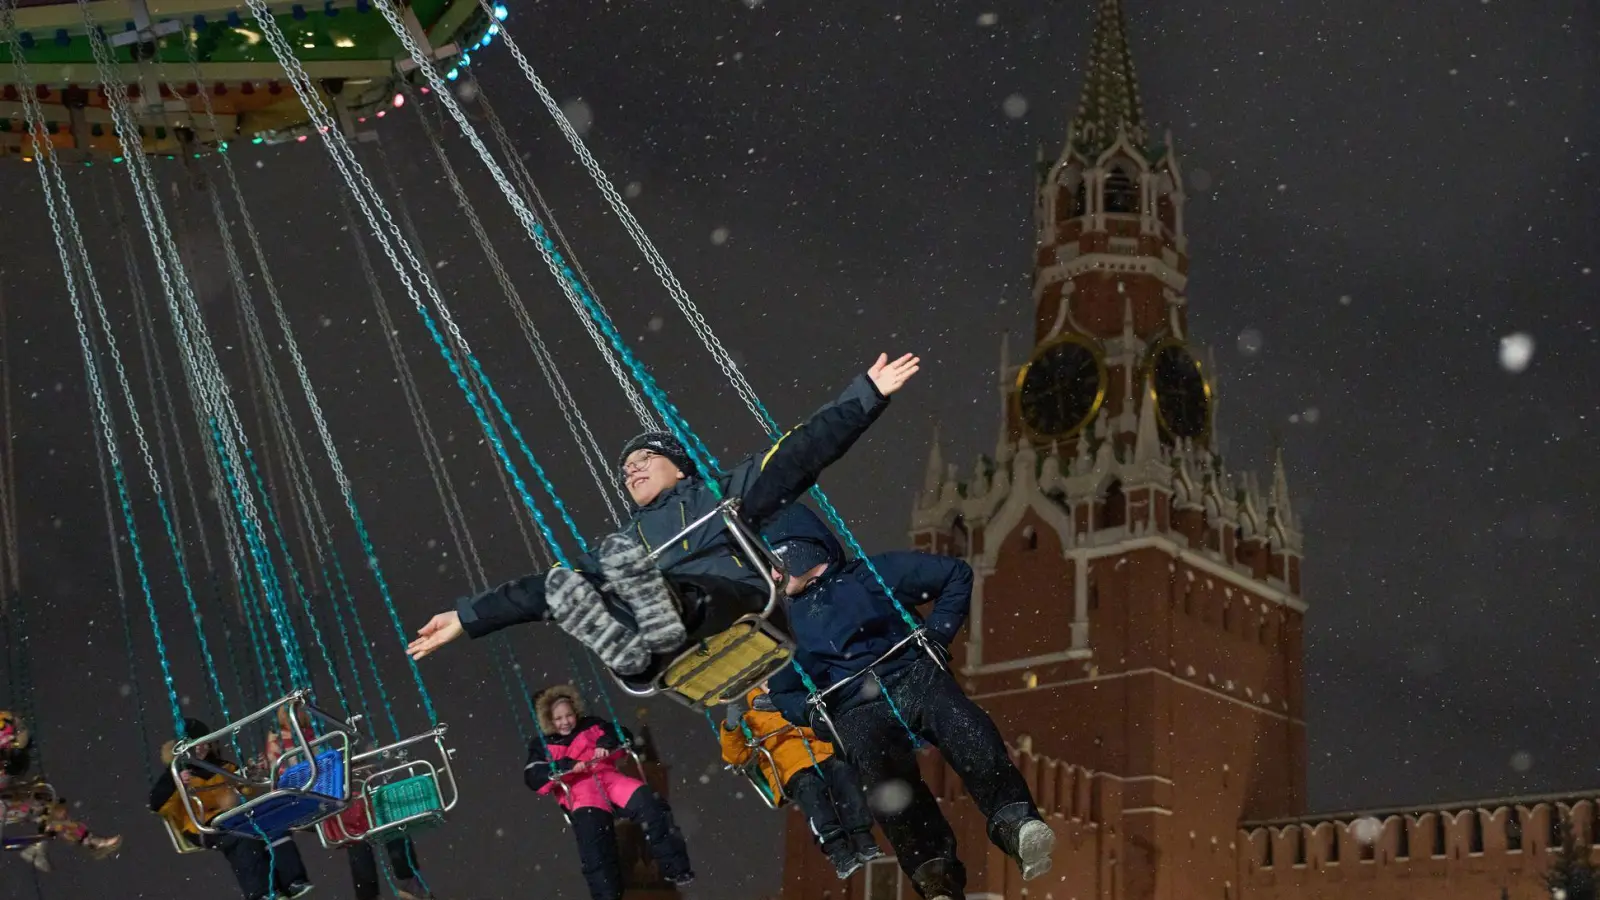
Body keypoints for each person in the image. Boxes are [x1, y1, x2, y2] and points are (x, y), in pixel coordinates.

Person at [406, 352, 922, 683]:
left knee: (655, 582)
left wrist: (865, 396)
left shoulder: (721, 493)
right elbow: (541, 588)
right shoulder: (629, 538)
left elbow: (797, 454)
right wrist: (467, 618)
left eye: (642, 462)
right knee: (576, 579)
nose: (631, 473)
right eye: (624, 471)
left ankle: (658, 621)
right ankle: (635, 650)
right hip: (666, 642)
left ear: (678, 466)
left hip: (729, 606)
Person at [762, 505, 1056, 900]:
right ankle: (934, 871)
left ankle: (1015, 822)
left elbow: (955, 574)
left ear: (803, 552)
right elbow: (782, 691)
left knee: (963, 725)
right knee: (884, 779)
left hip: (912, 674)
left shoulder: (869, 577)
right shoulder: (788, 626)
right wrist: (814, 717)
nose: (773, 575)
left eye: (776, 562)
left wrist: (937, 634)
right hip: (853, 705)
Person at [523, 685, 692, 900]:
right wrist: (566, 766)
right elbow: (533, 774)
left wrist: (605, 743)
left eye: (568, 715)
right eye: (558, 719)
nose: (565, 722)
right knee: (596, 850)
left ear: (575, 712)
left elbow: (620, 733)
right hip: (581, 793)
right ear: (549, 720)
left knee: (652, 806)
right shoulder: (543, 745)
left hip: (609, 780)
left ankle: (676, 867)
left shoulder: (592, 726)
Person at [260, 707, 433, 900]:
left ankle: (399, 881)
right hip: (313, 799)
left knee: (378, 822)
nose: (300, 715)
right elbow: (283, 775)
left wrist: (355, 762)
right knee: (357, 831)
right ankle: (395, 883)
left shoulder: (314, 734)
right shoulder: (280, 741)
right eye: (294, 711)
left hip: (335, 795)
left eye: (301, 710)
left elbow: (331, 763)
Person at [719, 686, 880, 879]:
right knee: (809, 789)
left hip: (821, 755)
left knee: (844, 772)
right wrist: (731, 728)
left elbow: (818, 724)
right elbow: (736, 756)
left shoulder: (797, 701)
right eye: (765, 684)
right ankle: (838, 850)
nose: (770, 686)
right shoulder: (751, 720)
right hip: (789, 768)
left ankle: (862, 836)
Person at [149, 718, 314, 900]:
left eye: (204, 743)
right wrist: (175, 782)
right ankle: (262, 892)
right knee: (242, 839)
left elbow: (246, 786)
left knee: (273, 826)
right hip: (201, 825)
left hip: (234, 817)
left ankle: (292, 881)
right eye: (194, 745)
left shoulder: (222, 767)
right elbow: (158, 804)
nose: (200, 748)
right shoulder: (175, 774)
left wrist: (254, 773)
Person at [0, 710, 121, 872]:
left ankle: (82, 841)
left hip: (5, 795)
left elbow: (18, 750)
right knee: (41, 805)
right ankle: (49, 845)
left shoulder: (8, 726)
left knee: (48, 803)